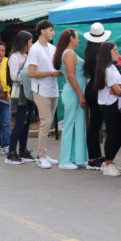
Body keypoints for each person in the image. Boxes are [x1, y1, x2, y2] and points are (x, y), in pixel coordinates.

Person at [28, 20, 61, 169]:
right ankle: (41, 156)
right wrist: (50, 73)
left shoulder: (53, 48)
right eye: (51, 30)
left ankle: (45, 154)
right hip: (41, 90)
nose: (53, 33)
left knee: (48, 123)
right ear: (42, 31)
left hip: (53, 89)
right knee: (45, 122)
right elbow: (31, 73)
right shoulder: (35, 49)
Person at [54, 28, 87, 169]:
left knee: (78, 124)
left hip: (75, 92)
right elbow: (71, 76)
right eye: (77, 37)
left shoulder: (70, 53)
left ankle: (77, 158)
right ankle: (64, 160)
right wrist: (81, 95)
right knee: (69, 124)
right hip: (74, 93)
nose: (78, 40)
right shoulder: (69, 53)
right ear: (71, 38)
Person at [95, 42, 121, 177]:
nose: (117, 53)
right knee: (113, 134)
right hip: (110, 105)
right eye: (115, 50)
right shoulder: (107, 70)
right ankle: (108, 163)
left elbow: (120, 86)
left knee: (120, 134)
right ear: (108, 52)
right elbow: (117, 90)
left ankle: (109, 161)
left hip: (112, 104)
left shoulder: (112, 67)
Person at [83, 23, 111, 170]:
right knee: (95, 124)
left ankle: (96, 156)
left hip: (91, 88)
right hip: (97, 88)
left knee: (95, 124)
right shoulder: (101, 53)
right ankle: (93, 158)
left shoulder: (89, 51)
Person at [8, 31, 36, 163]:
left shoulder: (27, 56)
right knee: (19, 123)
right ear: (23, 42)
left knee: (27, 123)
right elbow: (14, 76)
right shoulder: (15, 57)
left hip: (29, 91)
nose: (32, 44)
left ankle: (23, 151)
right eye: (30, 42)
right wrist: (30, 74)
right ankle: (11, 153)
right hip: (20, 92)